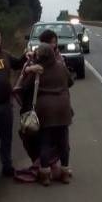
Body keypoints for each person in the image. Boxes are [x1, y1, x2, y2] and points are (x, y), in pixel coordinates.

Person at [20, 42, 74, 186]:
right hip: (63, 109)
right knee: (63, 142)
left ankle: (45, 175)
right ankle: (65, 173)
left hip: (45, 110)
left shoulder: (38, 70)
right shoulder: (61, 67)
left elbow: (24, 88)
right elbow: (70, 82)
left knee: (45, 142)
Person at [0, 29, 33, 181]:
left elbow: (18, 64)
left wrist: (26, 55)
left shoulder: (6, 55)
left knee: (6, 137)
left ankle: (7, 165)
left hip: (6, 104)